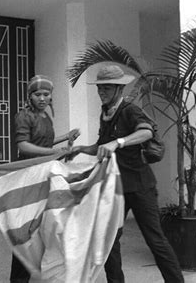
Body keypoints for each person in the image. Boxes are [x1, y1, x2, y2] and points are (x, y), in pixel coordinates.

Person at [71, 65, 184, 283]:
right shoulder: (104, 114)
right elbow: (102, 146)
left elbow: (146, 131)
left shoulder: (130, 110)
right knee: (108, 239)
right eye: (99, 88)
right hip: (116, 188)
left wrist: (119, 141)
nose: (101, 92)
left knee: (155, 240)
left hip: (140, 186)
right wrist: (80, 149)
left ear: (118, 89)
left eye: (106, 88)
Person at [10, 75, 80, 282]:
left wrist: (66, 136)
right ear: (29, 96)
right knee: (26, 229)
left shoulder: (46, 117)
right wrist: (52, 153)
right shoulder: (24, 116)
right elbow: (23, 145)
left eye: (46, 94)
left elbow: (45, 141)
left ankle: (42, 270)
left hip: (45, 173)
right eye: (37, 94)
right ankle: (19, 278)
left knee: (45, 224)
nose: (42, 98)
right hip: (29, 174)